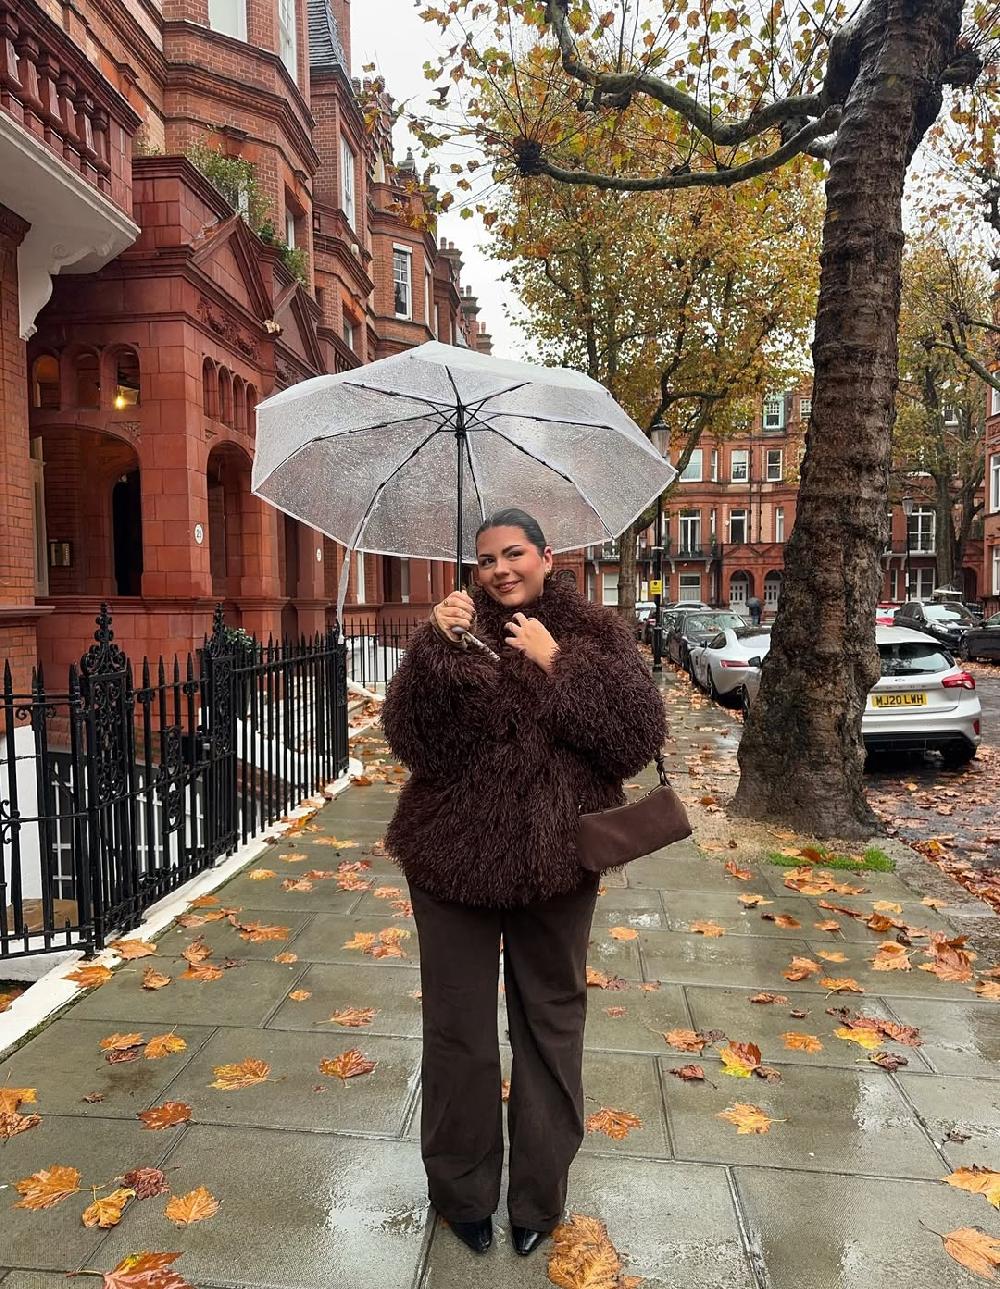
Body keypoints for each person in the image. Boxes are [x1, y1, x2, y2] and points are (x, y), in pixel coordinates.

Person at [381, 508, 666, 1259]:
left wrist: (555, 660)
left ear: (546, 556)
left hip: (556, 864)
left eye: (514, 554)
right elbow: (410, 739)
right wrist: (434, 652)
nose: (500, 569)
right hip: (452, 859)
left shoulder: (594, 633)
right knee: (458, 1030)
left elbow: (635, 738)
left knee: (549, 1025)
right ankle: (463, 1191)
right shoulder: (451, 627)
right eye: (486, 559)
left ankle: (539, 1195)